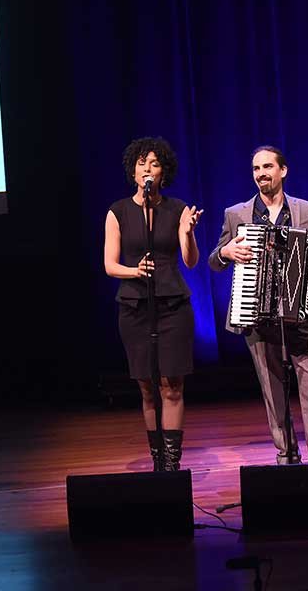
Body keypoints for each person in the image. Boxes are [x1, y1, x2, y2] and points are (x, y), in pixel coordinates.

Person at [209, 145, 308, 464]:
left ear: (283, 170)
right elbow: (214, 260)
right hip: (258, 318)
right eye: (256, 169)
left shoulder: (305, 209)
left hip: (301, 315)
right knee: (274, 394)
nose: (261, 173)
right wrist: (226, 253)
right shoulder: (236, 214)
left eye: (267, 167)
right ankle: (286, 455)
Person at [104, 136, 203, 471]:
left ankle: (172, 466)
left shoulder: (176, 209)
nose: (147, 168)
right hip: (135, 307)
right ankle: (157, 460)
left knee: (171, 386)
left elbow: (190, 262)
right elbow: (109, 264)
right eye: (141, 163)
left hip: (173, 306)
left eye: (155, 163)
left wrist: (187, 233)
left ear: (164, 173)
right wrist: (134, 271)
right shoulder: (117, 211)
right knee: (147, 388)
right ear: (133, 172)